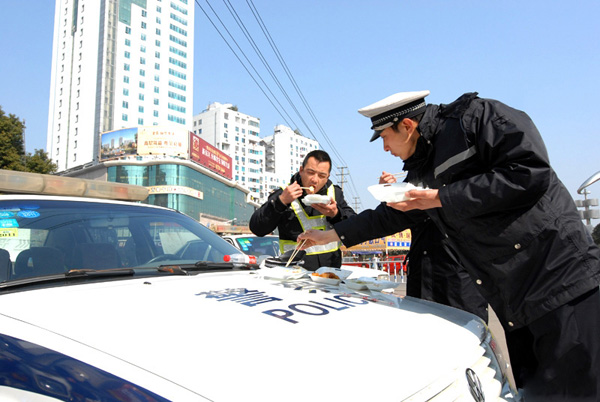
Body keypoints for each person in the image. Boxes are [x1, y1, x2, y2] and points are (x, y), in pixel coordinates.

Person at [299, 90, 600, 400]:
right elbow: (390, 216)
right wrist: (331, 235)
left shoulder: (477, 118)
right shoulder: (422, 167)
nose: (385, 148)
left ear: (407, 126)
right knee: (538, 389)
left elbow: (529, 173)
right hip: (514, 290)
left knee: (578, 387)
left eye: (385, 137)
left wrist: (442, 197)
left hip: (558, 274)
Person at [379, 171, 488, 322]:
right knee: (422, 329)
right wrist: (388, 194)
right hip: (420, 272)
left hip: (458, 275)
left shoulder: (462, 172)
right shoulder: (415, 175)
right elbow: (392, 218)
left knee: (465, 328)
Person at [250, 150, 356, 271]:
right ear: (301, 170)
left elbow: (355, 226)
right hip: (293, 273)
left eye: (321, 176)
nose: (315, 180)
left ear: (327, 177)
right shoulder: (284, 194)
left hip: (330, 274)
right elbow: (257, 228)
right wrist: (280, 202)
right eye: (310, 173)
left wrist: (335, 214)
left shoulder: (334, 193)